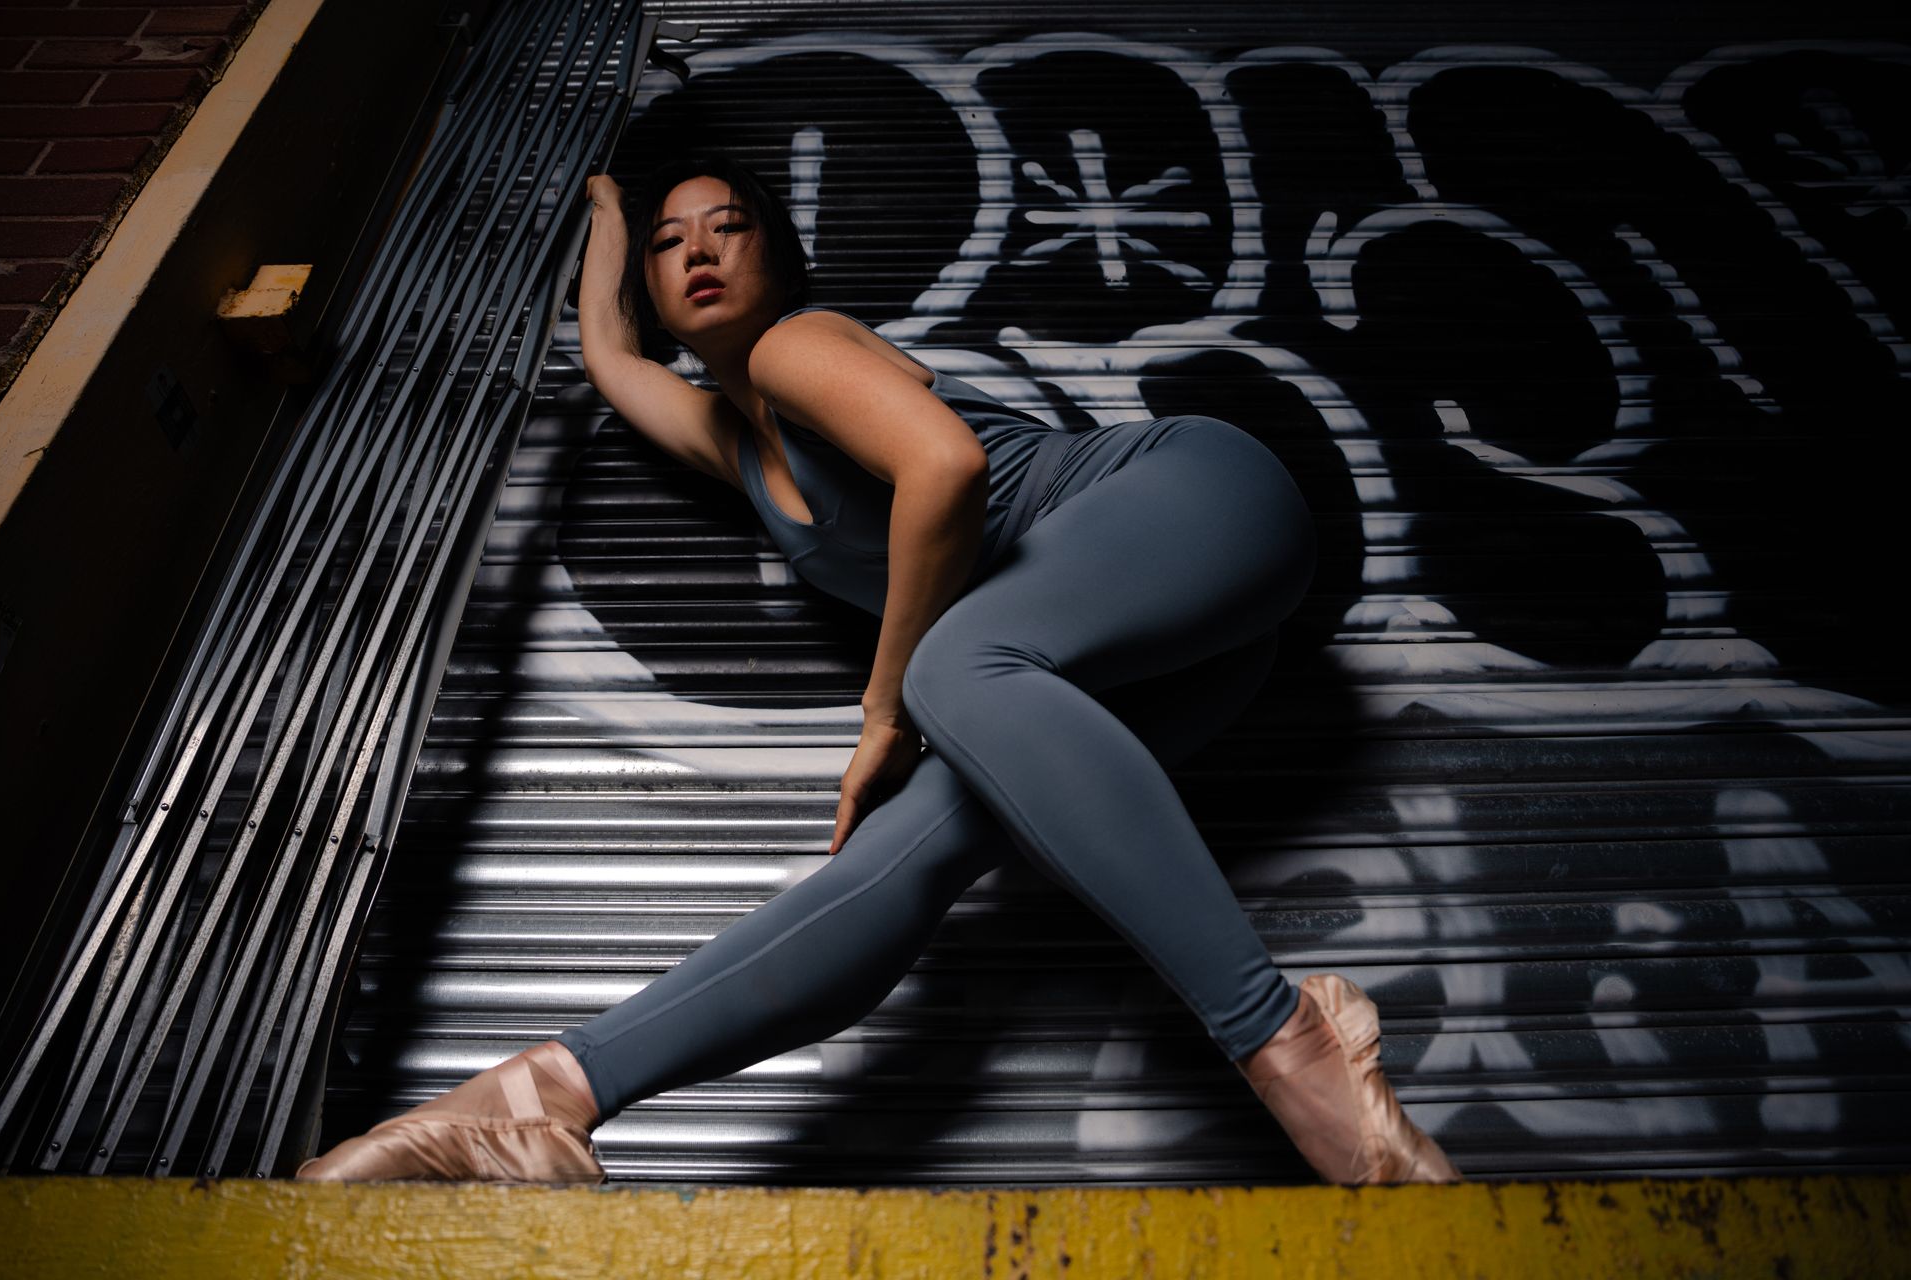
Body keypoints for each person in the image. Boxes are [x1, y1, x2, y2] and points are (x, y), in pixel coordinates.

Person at [296, 153, 1461, 1187]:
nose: (698, 252)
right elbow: (609, 355)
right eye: (670, 243)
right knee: (906, 855)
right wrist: (606, 204)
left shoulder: (795, 345)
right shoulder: (734, 445)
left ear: (775, 255)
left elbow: (945, 465)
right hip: (1164, 652)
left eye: (728, 227)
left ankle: (1282, 1032)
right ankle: (547, 1091)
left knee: (951, 669)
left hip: (1200, 500)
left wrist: (884, 713)